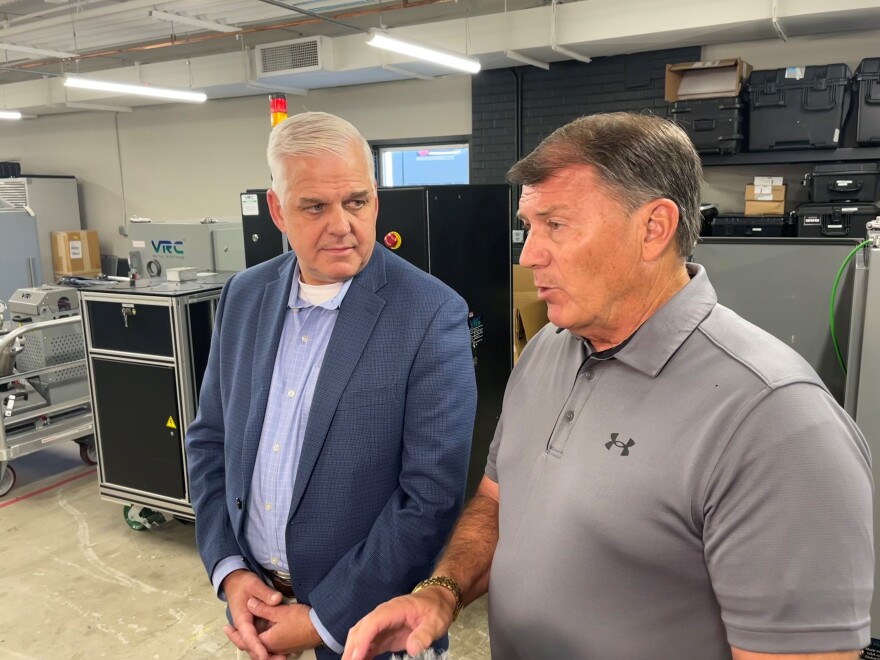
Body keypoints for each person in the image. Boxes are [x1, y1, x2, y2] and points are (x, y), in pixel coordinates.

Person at [342, 112, 874, 660]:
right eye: (528, 225)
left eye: (556, 224)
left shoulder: (776, 421)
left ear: (653, 229)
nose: (528, 254)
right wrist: (442, 594)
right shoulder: (550, 347)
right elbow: (499, 502)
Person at [185, 111, 477, 660]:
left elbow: (430, 499)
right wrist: (229, 571)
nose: (341, 224)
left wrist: (321, 621)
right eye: (315, 207)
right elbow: (209, 442)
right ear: (277, 210)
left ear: (375, 200)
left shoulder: (430, 314)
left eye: (357, 202)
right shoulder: (244, 297)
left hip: (371, 626)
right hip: (256, 609)